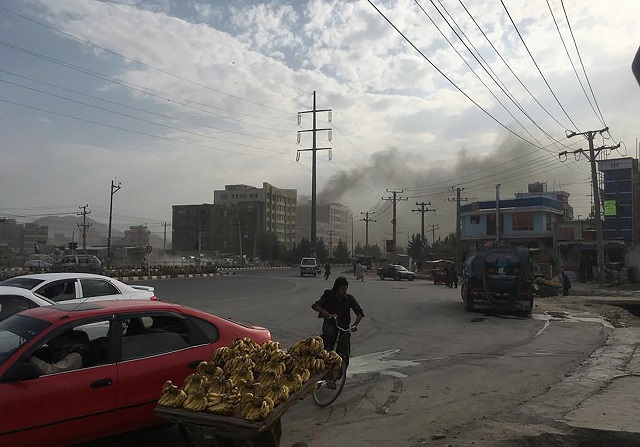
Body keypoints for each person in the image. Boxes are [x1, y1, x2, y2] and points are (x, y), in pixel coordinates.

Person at [311, 277, 364, 371]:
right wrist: (323, 311)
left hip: (344, 328)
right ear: (337, 288)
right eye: (342, 289)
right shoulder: (328, 296)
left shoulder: (349, 299)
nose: (344, 291)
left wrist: (355, 325)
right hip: (331, 324)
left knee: (344, 352)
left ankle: (338, 374)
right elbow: (315, 305)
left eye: (346, 288)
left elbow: (360, 313)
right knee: (328, 336)